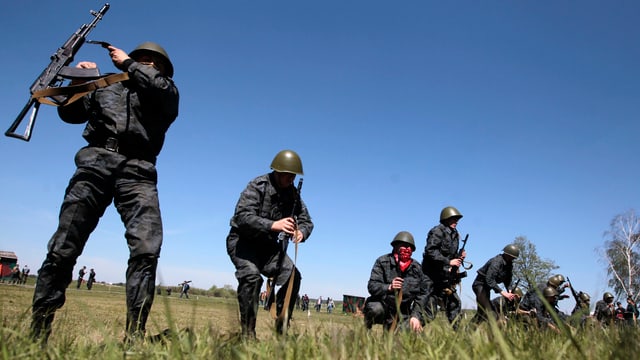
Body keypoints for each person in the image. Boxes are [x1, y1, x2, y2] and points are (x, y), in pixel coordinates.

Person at [29, 41, 179, 344]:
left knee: (146, 251)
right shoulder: (104, 86)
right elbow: (70, 115)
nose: (146, 65)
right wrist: (78, 81)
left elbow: (160, 88)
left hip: (139, 171)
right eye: (142, 60)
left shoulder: (165, 92)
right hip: (95, 163)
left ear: (162, 71)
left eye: (152, 62)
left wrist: (126, 63)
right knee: (63, 247)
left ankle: (134, 337)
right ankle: (38, 333)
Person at [226, 149, 314, 338]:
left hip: (267, 248)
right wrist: (273, 225)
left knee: (293, 276)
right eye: (288, 175)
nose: (291, 179)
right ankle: (248, 335)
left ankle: (281, 328)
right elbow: (242, 217)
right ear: (277, 171)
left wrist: (301, 232)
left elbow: (307, 221)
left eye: (294, 176)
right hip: (243, 243)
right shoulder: (258, 186)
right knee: (251, 278)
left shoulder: (293, 195)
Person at [364, 231, 428, 333]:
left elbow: (423, 294)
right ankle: (366, 331)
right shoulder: (382, 262)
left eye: (409, 247)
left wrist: (415, 316)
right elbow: (372, 286)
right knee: (375, 309)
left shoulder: (417, 268)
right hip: (383, 305)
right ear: (395, 246)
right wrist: (388, 287)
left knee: (410, 332)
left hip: (403, 312)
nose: (407, 249)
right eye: (403, 246)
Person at [421, 206, 466, 329]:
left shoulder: (456, 235)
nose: (456, 222)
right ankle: (409, 330)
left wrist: (460, 256)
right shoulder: (437, 231)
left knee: (455, 303)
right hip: (430, 277)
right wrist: (448, 262)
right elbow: (430, 251)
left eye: (457, 219)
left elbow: (452, 257)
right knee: (429, 313)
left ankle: (459, 336)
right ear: (446, 219)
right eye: (453, 219)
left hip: (444, 278)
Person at [469, 244, 519, 325]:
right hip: (480, 285)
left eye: (514, 258)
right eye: (511, 257)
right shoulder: (496, 262)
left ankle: (468, 331)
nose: (512, 259)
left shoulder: (509, 265)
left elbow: (508, 280)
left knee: (481, 314)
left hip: (487, 288)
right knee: (491, 313)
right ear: (507, 254)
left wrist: (509, 291)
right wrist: (503, 293)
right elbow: (489, 279)